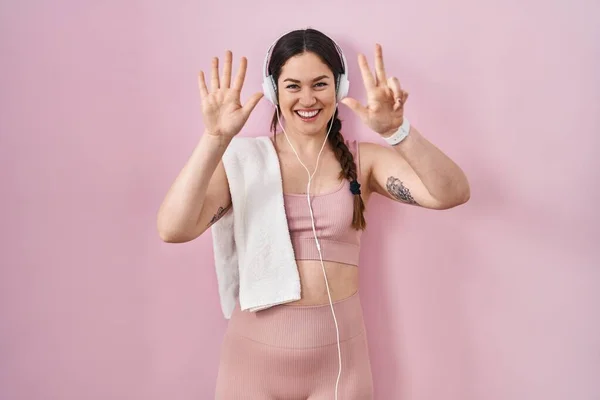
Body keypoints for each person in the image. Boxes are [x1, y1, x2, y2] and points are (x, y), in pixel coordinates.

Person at [157, 28, 470, 400]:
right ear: (274, 91)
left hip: (339, 366)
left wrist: (398, 131)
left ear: (338, 88)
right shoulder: (244, 161)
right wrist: (215, 140)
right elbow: (172, 229)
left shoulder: (362, 161)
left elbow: (450, 193)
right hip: (252, 367)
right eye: (293, 86)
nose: (307, 98)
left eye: (320, 84)